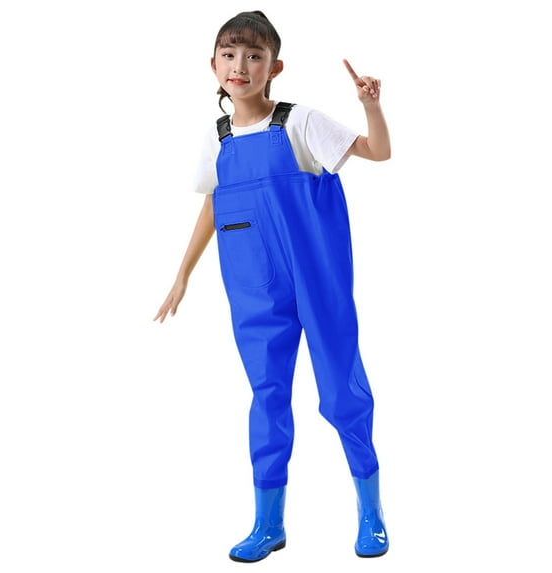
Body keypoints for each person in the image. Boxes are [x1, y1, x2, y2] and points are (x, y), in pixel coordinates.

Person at [154, 10, 391, 563]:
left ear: (274, 67)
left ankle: (371, 512)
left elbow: (377, 151)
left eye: (254, 55)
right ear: (213, 65)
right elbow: (214, 204)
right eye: (229, 55)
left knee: (341, 391)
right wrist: (182, 274)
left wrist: (371, 106)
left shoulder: (300, 122)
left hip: (317, 279)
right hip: (254, 287)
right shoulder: (217, 140)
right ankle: (268, 523)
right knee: (267, 398)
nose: (240, 65)